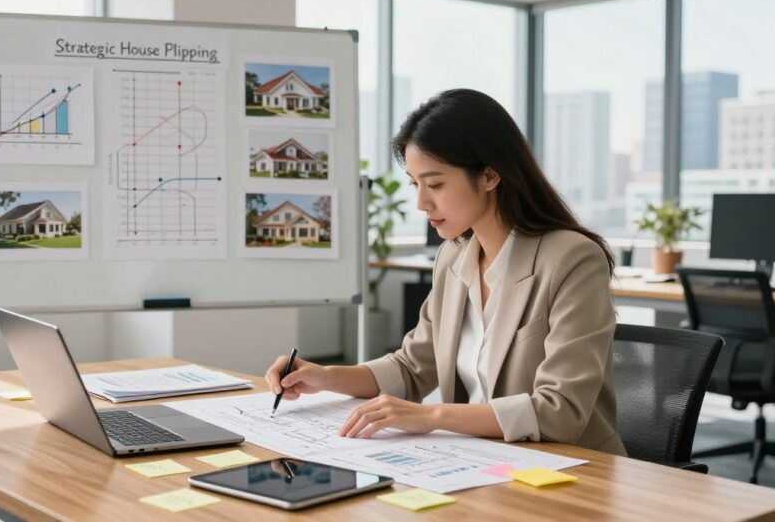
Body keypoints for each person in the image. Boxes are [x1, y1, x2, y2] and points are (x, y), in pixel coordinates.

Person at [265, 88, 625, 455]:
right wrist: (324, 377)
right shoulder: (453, 258)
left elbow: (561, 411)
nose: (422, 203)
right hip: (481, 460)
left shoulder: (572, 259)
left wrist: (433, 415)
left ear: (489, 175)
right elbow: (411, 368)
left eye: (435, 184)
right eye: (415, 185)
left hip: (570, 471)